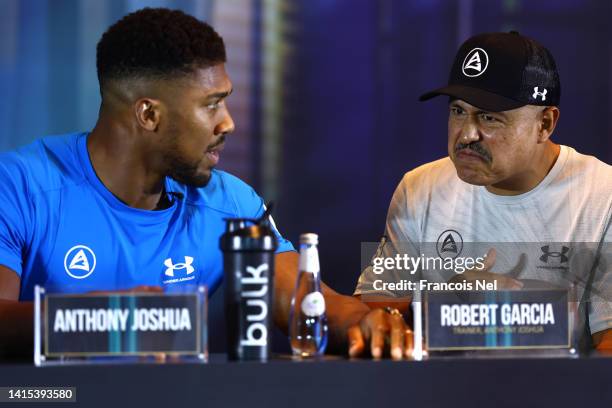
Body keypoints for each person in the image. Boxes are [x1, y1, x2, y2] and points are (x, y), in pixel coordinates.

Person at [0, 8, 411, 360]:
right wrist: (103, 317)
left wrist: (366, 321)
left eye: (226, 100)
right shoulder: (20, 185)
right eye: (211, 104)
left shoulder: (229, 203)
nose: (228, 122)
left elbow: (306, 304)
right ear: (148, 115)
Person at [355, 31, 612, 350]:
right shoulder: (419, 188)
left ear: (545, 124)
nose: (466, 135)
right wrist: (443, 304)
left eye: (489, 117)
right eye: (458, 111)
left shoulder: (603, 195)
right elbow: (370, 317)